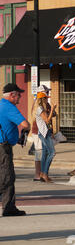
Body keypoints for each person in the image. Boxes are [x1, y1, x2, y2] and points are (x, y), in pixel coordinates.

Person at [0, 83, 30, 216]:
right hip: (3, 147)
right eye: (19, 95)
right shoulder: (9, 107)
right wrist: (24, 132)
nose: (20, 98)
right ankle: (8, 208)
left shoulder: (1, 104)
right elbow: (25, 124)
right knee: (8, 177)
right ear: (12, 95)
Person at [32, 91, 57, 183]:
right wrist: (52, 109)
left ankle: (43, 174)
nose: (47, 100)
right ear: (43, 99)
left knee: (45, 154)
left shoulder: (40, 108)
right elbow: (47, 120)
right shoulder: (40, 108)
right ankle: (45, 174)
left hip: (44, 132)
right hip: (44, 133)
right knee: (52, 153)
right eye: (46, 98)